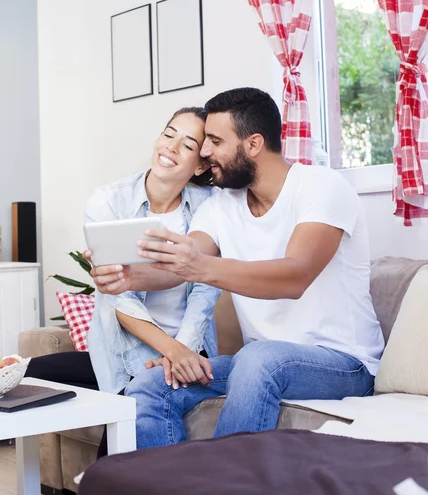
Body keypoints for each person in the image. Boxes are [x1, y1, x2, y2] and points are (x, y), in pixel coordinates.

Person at [90, 87, 384, 450]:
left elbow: (295, 276)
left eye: (214, 141)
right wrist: (127, 277)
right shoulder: (221, 206)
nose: (205, 151)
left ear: (254, 144)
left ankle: (223, 482)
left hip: (344, 365)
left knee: (257, 358)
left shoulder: (322, 187)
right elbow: (183, 264)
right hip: (257, 365)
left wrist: (202, 266)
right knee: (148, 387)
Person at [26, 107, 221, 399]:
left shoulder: (210, 206)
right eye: (169, 134)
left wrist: (183, 350)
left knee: (141, 404)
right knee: (27, 372)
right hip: (126, 349)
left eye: (188, 144)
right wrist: (171, 352)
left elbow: (205, 291)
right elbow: (119, 295)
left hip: (190, 345)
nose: (172, 146)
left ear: (200, 166)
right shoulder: (108, 201)